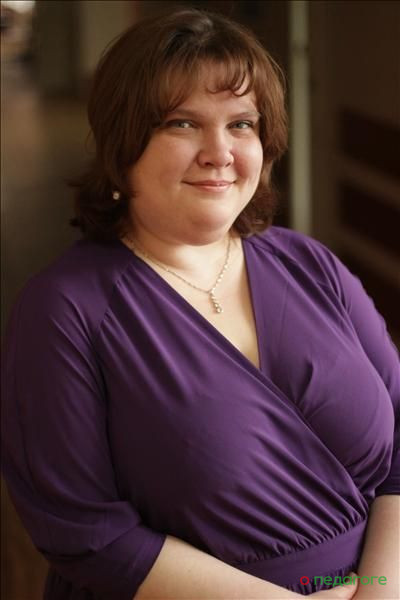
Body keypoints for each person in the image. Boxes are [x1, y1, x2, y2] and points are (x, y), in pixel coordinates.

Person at [1, 8, 399, 600]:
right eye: (182, 123)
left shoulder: (311, 264)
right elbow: (87, 533)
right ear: (123, 144)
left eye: (241, 124)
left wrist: (380, 587)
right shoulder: (63, 311)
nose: (219, 151)